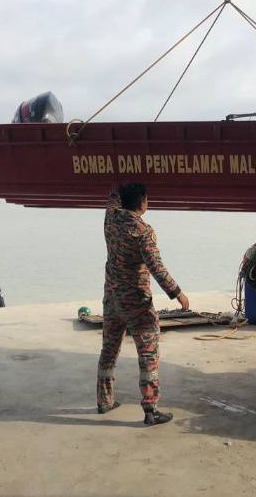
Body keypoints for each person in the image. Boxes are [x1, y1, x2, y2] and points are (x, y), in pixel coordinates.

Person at [97, 182, 189, 426]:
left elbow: (112, 197)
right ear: (142, 203)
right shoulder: (142, 231)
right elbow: (156, 267)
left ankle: (104, 401)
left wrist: (117, 181)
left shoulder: (111, 219)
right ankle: (150, 410)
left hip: (112, 298)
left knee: (109, 350)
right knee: (148, 354)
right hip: (136, 302)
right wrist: (177, 293)